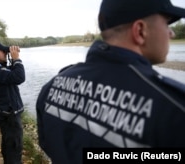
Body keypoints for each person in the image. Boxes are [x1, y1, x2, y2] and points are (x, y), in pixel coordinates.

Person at [36, 0, 185, 163]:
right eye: (167, 23)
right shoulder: (173, 108)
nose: (172, 33)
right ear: (140, 31)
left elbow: (48, 145)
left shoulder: (51, 87)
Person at [0, 41, 25, 164]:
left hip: (4, 112)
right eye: (3, 51)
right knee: (14, 145)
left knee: (9, 142)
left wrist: (12, 60)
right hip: (9, 115)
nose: (6, 52)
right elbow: (19, 77)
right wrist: (17, 60)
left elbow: (11, 74)